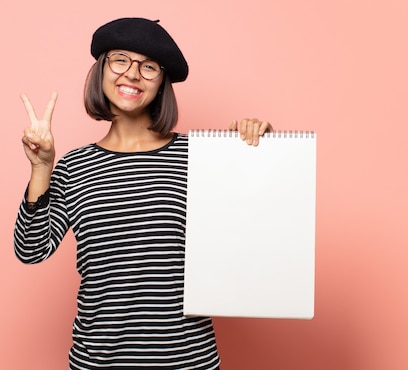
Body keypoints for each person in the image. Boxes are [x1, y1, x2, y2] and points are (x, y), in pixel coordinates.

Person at [14, 17, 273, 369]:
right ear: (101, 69)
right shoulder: (75, 166)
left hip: (187, 360)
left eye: (148, 66)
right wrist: (42, 168)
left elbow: (257, 234)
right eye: (121, 59)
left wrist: (262, 153)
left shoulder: (200, 156)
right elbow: (30, 250)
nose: (132, 74)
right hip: (97, 361)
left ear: (162, 82)